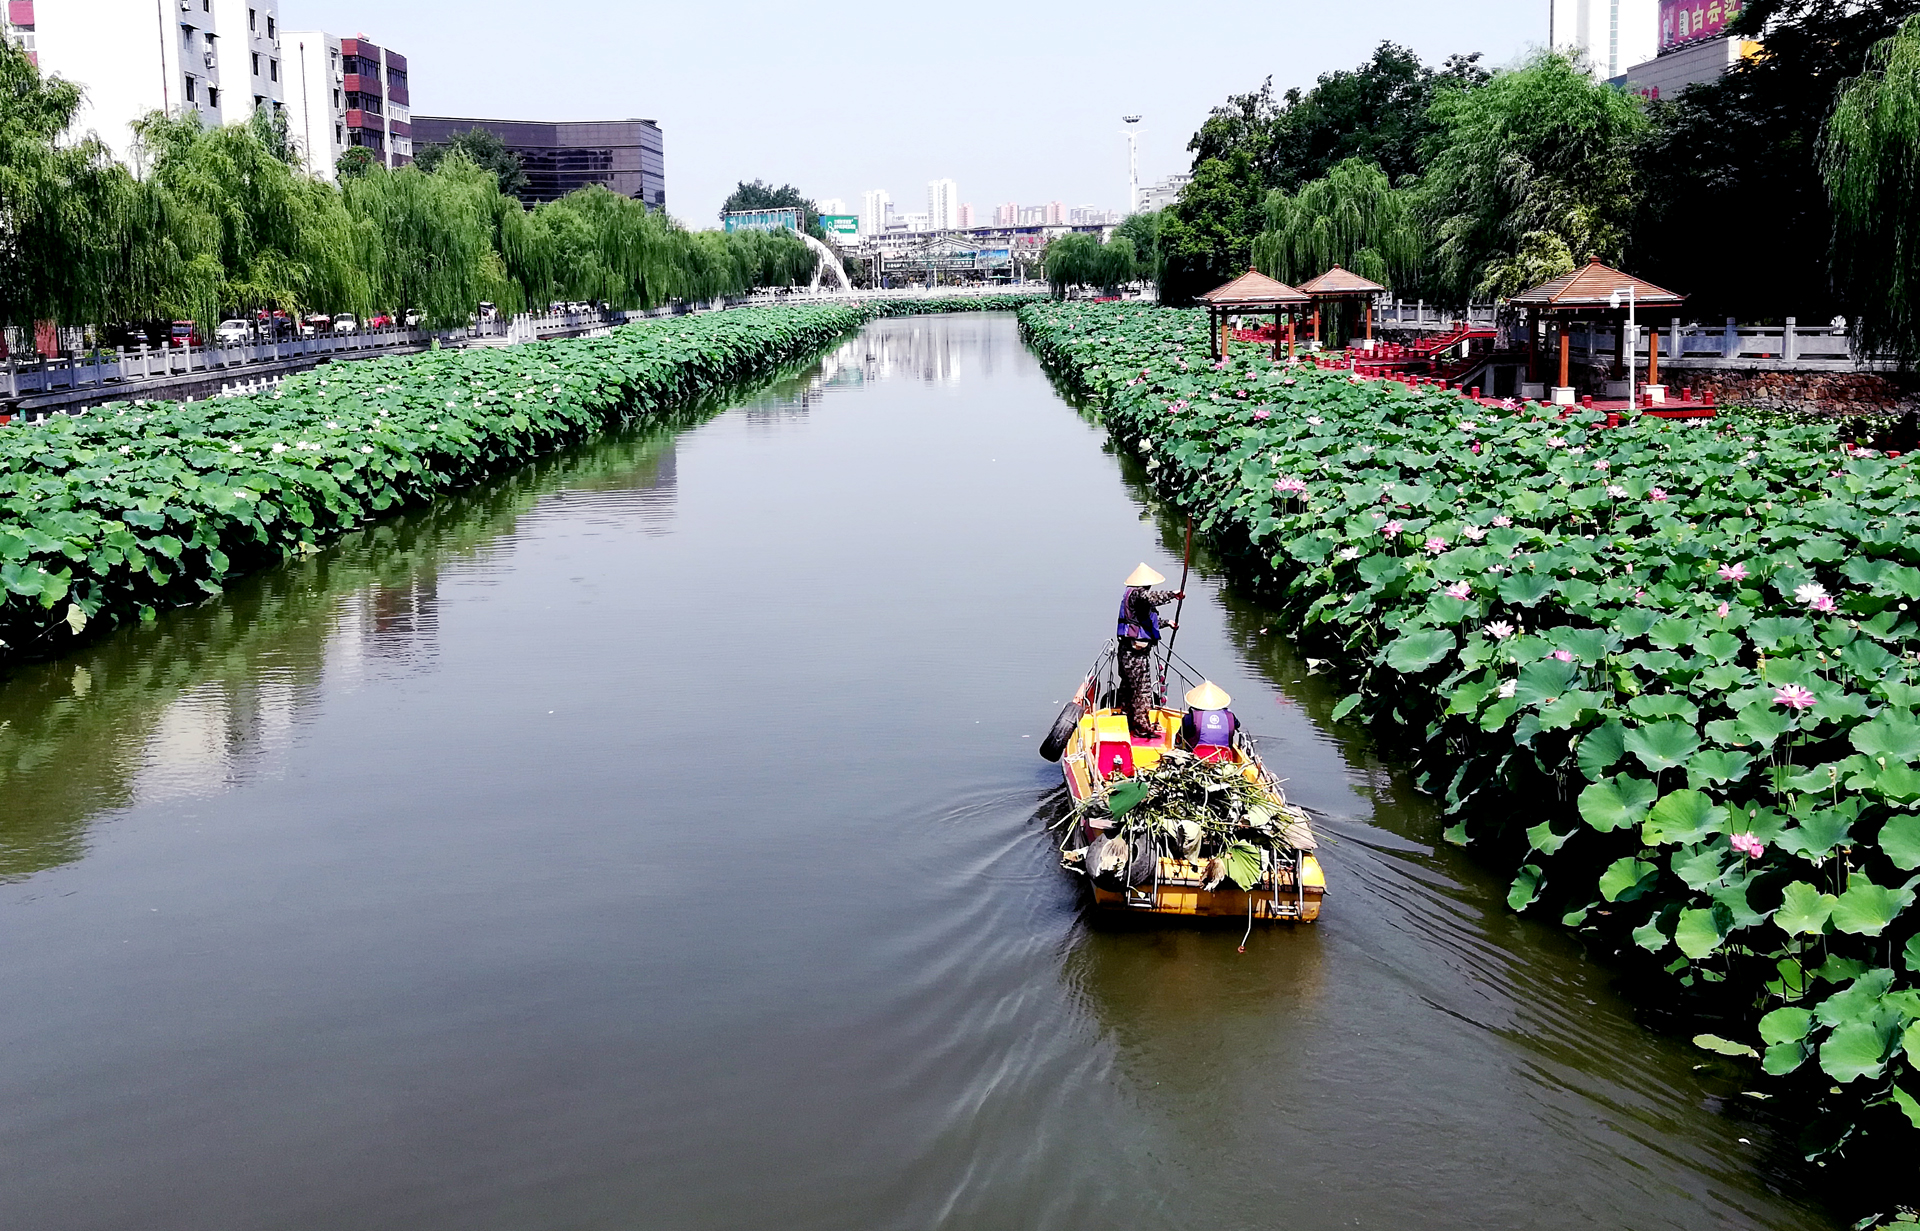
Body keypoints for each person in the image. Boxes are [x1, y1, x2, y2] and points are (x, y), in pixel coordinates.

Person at [1115, 563, 1182, 739]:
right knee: (1141, 691)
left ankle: (1126, 718)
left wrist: (1167, 623)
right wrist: (1172, 595)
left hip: (1130, 651)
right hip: (1134, 654)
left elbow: (1144, 623)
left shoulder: (1135, 599)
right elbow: (1151, 598)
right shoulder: (1137, 594)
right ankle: (1141, 728)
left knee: (1128, 688)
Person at [1180, 681, 1237, 749]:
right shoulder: (1230, 716)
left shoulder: (1191, 716)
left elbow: (1182, 733)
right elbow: (1237, 724)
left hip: (1197, 753)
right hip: (1225, 754)